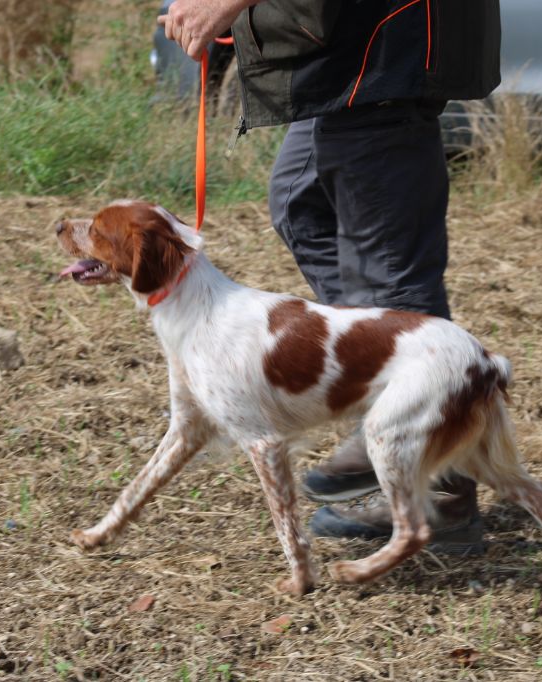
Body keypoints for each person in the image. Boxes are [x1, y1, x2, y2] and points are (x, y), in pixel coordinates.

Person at [159, 0, 502, 553]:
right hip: (348, 49)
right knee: (303, 204)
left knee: (387, 269)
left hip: (386, 38)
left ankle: (440, 495)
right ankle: (399, 401)